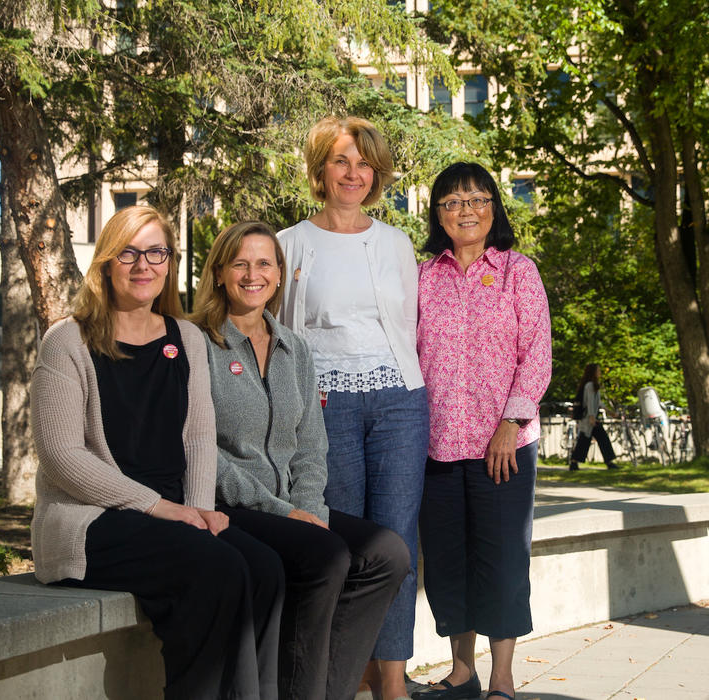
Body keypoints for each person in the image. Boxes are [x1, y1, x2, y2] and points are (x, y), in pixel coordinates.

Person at [29, 206, 284, 699]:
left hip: (172, 511)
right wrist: (163, 508)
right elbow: (61, 456)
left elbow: (197, 436)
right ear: (106, 262)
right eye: (128, 252)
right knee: (216, 568)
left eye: (156, 252)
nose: (142, 264)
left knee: (266, 568)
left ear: (169, 262)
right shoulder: (67, 341)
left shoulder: (184, 336)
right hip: (96, 518)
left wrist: (199, 511)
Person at [195, 221, 410, 700]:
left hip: (293, 507)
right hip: (233, 504)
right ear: (221, 274)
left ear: (279, 275)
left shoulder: (295, 348)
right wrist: (284, 513)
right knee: (326, 554)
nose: (254, 274)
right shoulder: (198, 344)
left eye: (265, 263)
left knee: (386, 554)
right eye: (241, 263)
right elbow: (199, 448)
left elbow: (312, 444)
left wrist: (307, 507)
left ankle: (326, 691)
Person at [277, 115, 428, 700]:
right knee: (343, 548)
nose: (354, 173)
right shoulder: (290, 244)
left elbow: (410, 328)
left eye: (364, 163)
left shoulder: (394, 243)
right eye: (341, 160)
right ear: (321, 169)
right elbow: (280, 334)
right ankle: (341, 676)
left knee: (398, 541)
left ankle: (392, 683)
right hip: (325, 405)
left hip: (399, 405)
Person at [415, 162, 551, 700]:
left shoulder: (519, 271)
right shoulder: (424, 277)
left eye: (475, 199)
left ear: (493, 207)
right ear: (438, 216)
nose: (464, 210)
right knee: (447, 560)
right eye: (451, 202)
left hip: (505, 446)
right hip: (437, 443)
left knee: (501, 558)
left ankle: (501, 677)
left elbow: (536, 353)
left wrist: (510, 422)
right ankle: (462, 670)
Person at [566, 363, 617, 471]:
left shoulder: (594, 385)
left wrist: (609, 412)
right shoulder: (589, 385)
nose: (600, 372)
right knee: (591, 439)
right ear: (593, 372)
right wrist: (591, 417)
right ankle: (609, 462)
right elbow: (589, 402)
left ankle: (574, 463)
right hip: (589, 419)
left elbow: (598, 402)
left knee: (590, 439)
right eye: (598, 370)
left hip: (591, 418)